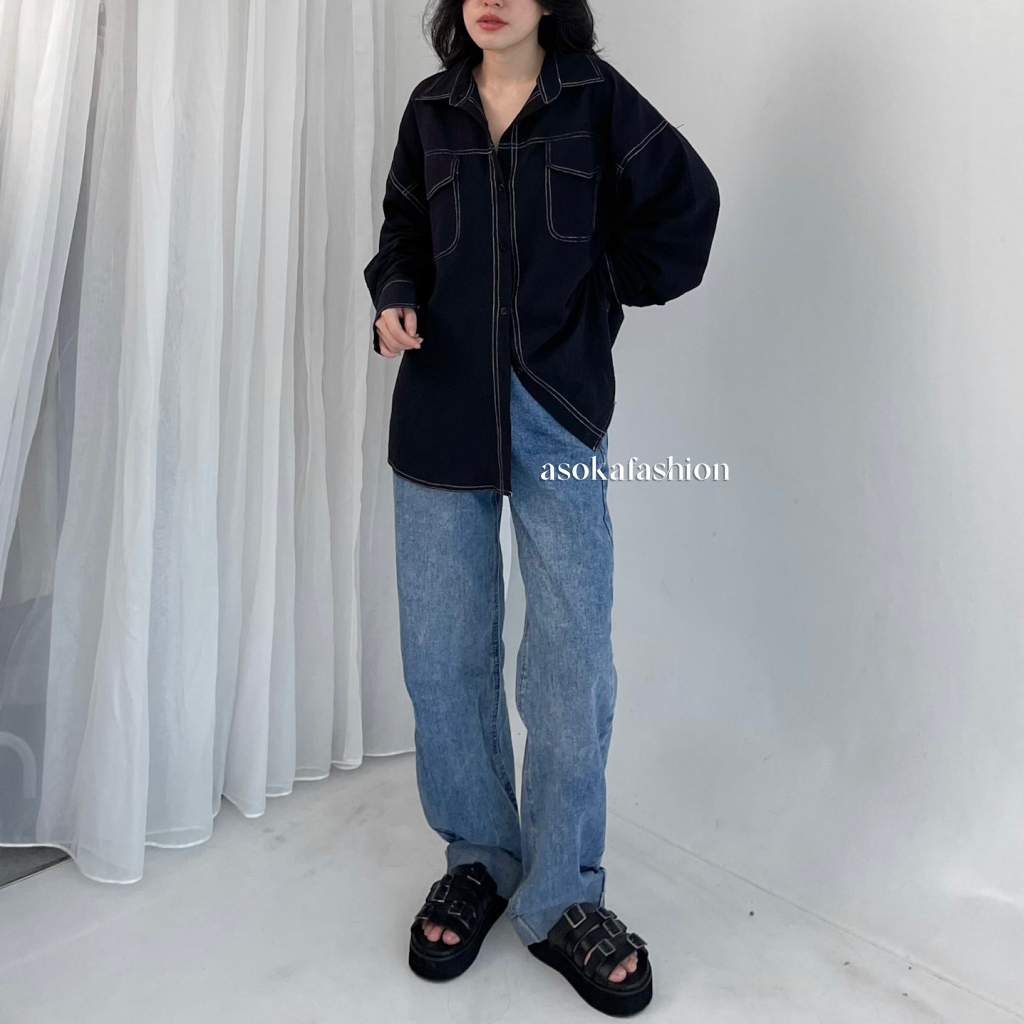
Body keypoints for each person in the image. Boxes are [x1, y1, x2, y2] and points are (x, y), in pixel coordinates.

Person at [363, 0, 719, 1015]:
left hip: (556, 413)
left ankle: (563, 893)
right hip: (439, 415)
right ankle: (480, 858)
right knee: (443, 655)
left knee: (571, 660)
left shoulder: (597, 102)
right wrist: (394, 294)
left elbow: (686, 209)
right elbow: (402, 229)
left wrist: (598, 291)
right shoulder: (430, 110)